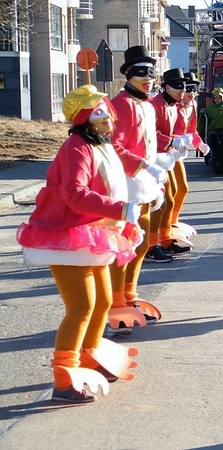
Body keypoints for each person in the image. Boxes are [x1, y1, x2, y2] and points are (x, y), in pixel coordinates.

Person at [16, 85, 141, 402]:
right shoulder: (76, 147)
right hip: (67, 235)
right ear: (85, 118)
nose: (108, 118)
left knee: (100, 303)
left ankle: (88, 357)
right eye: (99, 113)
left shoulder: (100, 144)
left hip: (93, 232)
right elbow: (74, 194)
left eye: (107, 112)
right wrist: (121, 209)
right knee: (81, 306)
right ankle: (63, 377)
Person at [109, 45, 167, 334]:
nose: (149, 78)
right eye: (141, 73)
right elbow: (114, 146)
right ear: (128, 74)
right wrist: (145, 166)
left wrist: (156, 178)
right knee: (124, 246)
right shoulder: (121, 103)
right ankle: (116, 303)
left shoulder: (146, 103)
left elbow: (151, 142)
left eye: (152, 73)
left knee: (141, 244)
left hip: (144, 182)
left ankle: (130, 297)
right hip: (126, 184)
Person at [148, 68, 192, 262]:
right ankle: (151, 245)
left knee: (171, 198)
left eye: (184, 86)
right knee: (160, 202)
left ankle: (165, 239)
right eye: (178, 86)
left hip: (165, 157)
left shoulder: (173, 106)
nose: (183, 90)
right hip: (152, 159)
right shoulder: (154, 105)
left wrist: (179, 140)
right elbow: (149, 133)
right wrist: (171, 141)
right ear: (166, 87)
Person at [172, 71, 209, 238]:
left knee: (182, 189)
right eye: (188, 89)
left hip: (178, 154)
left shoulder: (193, 105)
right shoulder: (172, 106)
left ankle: (173, 220)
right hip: (163, 152)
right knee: (168, 192)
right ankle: (162, 227)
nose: (191, 93)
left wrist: (199, 143)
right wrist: (175, 139)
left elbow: (192, 131)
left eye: (194, 89)